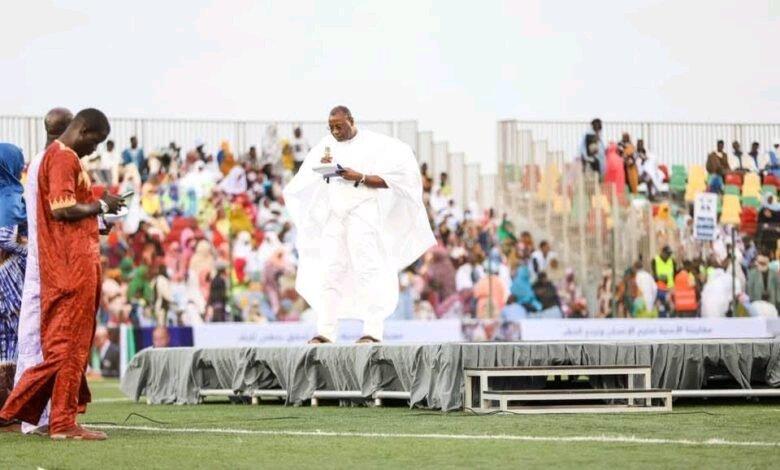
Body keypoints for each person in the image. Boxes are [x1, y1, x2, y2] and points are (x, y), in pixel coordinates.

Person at [0, 108, 124, 440]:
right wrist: (101, 206)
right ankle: (39, 417)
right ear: (81, 130)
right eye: (95, 141)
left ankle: (47, 417)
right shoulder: (62, 158)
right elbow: (62, 208)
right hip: (69, 264)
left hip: (65, 262)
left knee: (66, 346)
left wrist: (98, 210)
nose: (95, 149)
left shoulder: (54, 158)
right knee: (66, 346)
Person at [283, 106, 435, 343]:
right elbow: (307, 179)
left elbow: (394, 180)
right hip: (335, 215)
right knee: (330, 271)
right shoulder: (326, 145)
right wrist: (325, 170)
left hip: (363, 213)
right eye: (331, 127)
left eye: (339, 126)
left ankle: (372, 332)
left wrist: (360, 177)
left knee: (367, 269)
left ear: (351, 121)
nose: (335, 131)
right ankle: (325, 332)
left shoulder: (375, 144)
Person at [11, 108, 72, 435]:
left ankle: (32, 415)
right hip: (47, 260)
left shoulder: (39, 161)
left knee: (34, 337)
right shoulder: (51, 162)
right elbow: (58, 213)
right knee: (42, 338)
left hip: (40, 258)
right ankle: (36, 416)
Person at [0, 144, 27, 409]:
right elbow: (5, 238)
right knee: (13, 338)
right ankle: (9, 407)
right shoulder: (9, 195)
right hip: (8, 278)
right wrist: (32, 250)